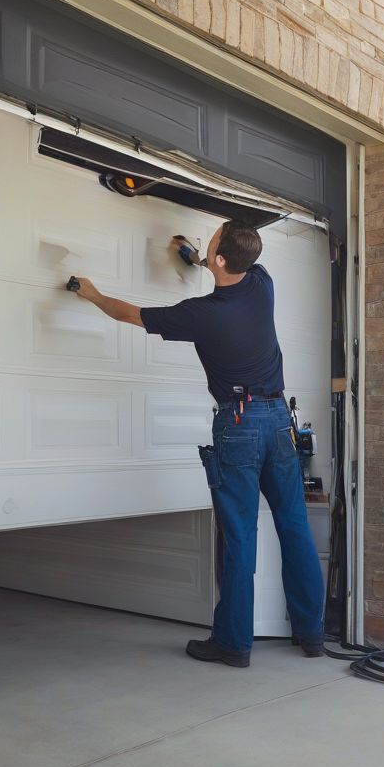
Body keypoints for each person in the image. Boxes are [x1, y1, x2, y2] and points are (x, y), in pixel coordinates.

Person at [70, 221, 325, 668]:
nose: (208, 242)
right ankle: (312, 635)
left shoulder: (201, 314)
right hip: (279, 420)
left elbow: (130, 314)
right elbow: (227, 266)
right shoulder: (262, 283)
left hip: (239, 424)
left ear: (223, 259)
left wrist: (91, 294)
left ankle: (233, 644)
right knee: (294, 526)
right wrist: (195, 257)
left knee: (240, 535)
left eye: (213, 242)